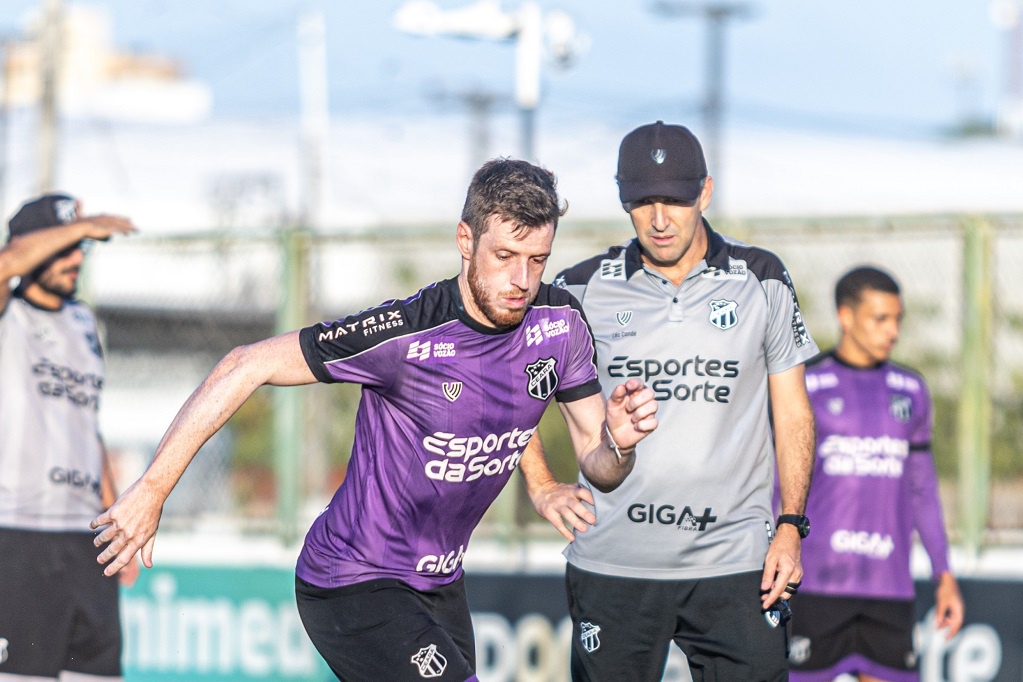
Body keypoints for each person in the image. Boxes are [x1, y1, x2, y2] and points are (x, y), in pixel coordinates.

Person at [90, 158, 659, 682]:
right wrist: (153, 489)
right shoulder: (405, 335)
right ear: (466, 241)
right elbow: (245, 364)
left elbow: (592, 459)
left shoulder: (559, 325)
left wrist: (617, 446)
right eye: (504, 257)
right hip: (351, 580)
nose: (521, 281)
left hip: (438, 585)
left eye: (537, 261)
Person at [532, 121, 820, 681]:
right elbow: (509, 392)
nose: (659, 220)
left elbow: (793, 413)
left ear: (705, 193)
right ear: (623, 200)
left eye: (675, 200)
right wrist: (542, 485)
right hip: (615, 565)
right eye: (642, 202)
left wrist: (791, 524)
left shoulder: (762, 278)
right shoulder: (579, 289)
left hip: (737, 565)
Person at [787, 266, 964, 682]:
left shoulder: (912, 389)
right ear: (846, 316)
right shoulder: (807, 384)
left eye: (897, 319)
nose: (893, 331)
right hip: (817, 587)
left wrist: (944, 574)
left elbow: (923, 490)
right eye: (880, 319)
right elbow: (779, 484)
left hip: (889, 590)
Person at [0, 193, 138, 682]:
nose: (77, 257)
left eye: (82, 247)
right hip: (18, 538)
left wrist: (115, 521)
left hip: (85, 542)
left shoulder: (83, 322)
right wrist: (84, 226)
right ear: (29, 246)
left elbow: (87, 425)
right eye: (64, 245)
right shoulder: (8, 315)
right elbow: (7, 265)